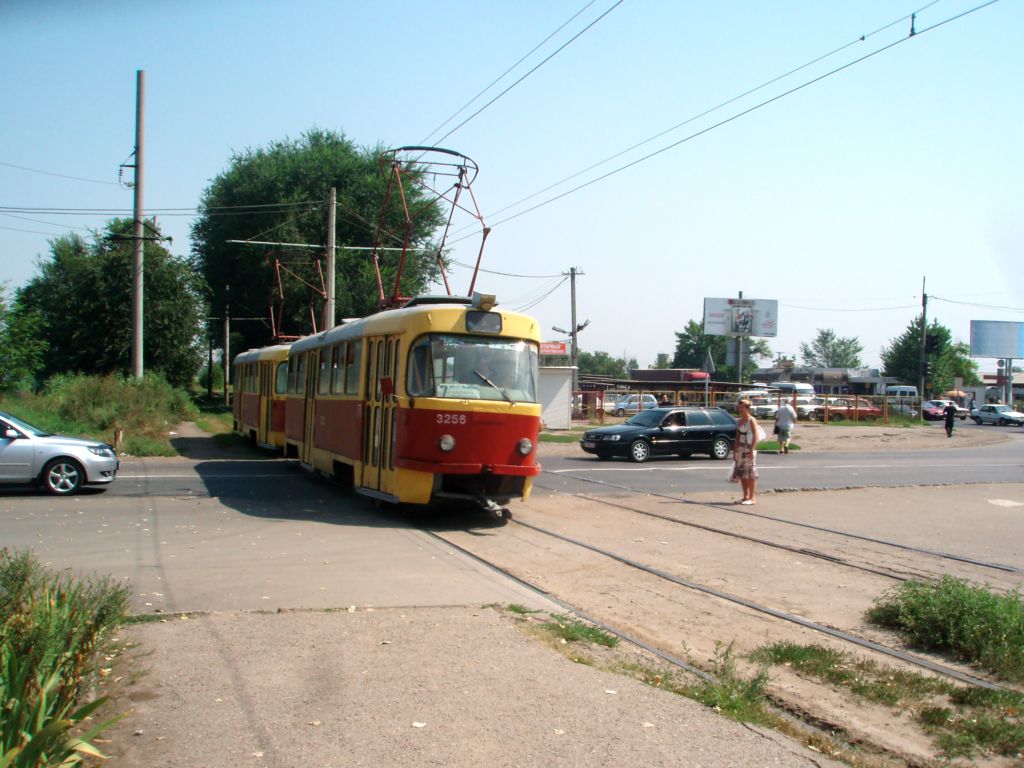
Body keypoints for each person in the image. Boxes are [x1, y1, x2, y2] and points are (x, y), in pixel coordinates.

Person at [730, 399, 760, 505]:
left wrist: (752, 449)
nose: (739, 408)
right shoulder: (739, 421)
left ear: (747, 408)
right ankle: (745, 496)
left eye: (742, 407)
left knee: (750, 473)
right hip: (740, 449)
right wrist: (734, 450)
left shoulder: (751, 420)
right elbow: (737, 436)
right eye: (739, 406)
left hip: (748, 448)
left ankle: (752, 498)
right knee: (742, 473)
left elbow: (756, 434)